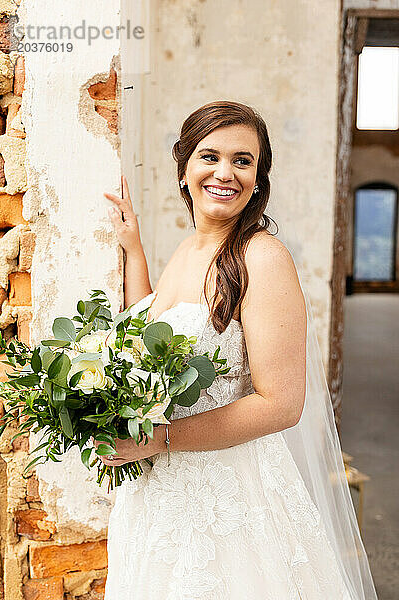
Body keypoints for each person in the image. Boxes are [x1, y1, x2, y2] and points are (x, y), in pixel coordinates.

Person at [100, 101, 378, 599]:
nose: (225, 173)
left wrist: (158, 439)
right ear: (184, 170)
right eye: (209, 156)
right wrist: (134, 249)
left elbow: (281, 404)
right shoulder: (189, 249)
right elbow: (152, 327)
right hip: (162, 496)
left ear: (258, 178)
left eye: (243, 161)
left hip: (229, 498)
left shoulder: (263, 257)